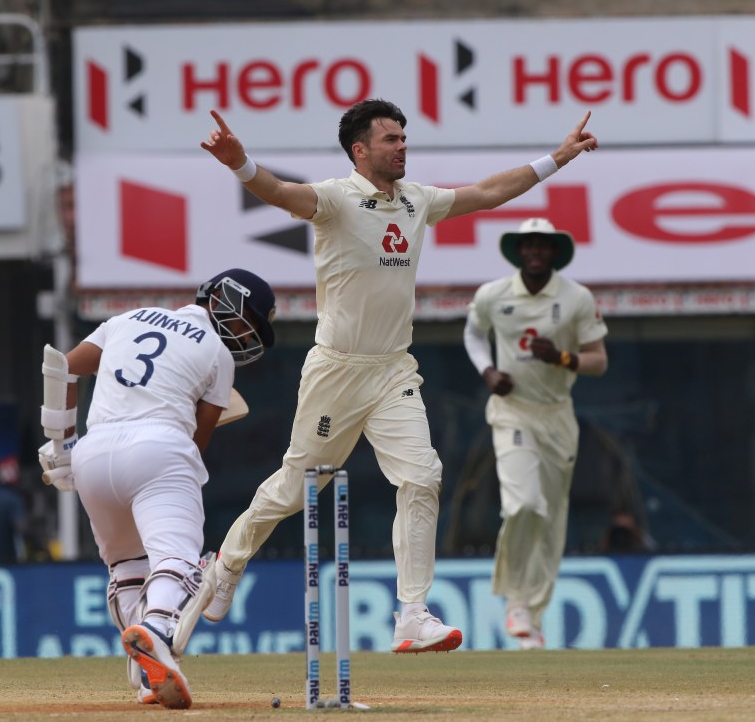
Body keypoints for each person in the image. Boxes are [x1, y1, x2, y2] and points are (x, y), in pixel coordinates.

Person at [199, 99, 598, 653]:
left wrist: (557, 158)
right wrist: (240, 163)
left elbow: (486, 193)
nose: (403, 146)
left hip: (393, 370)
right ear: (361, 150)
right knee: (296, 488)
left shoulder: (417, 200)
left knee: (422, 476)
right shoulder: (337, 198)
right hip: (336, 370)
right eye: (391, 139)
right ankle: (226, 563)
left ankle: (412, 613)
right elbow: (281, 194)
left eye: (404, 137)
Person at [37, 268, 276, 709]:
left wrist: (62, 447)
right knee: (180, 560)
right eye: (251, 323)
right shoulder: (218, 356)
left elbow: (63, 367)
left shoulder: (128, 318)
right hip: (160, 448)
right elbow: (195, 442)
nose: (247, 335)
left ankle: (151, 669)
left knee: (127, 565)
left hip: (93, 452)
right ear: (228, 302)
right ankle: (158, 631)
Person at [463, 217, 609, 650]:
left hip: (558, 415)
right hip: (512, 412)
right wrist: (488, 371)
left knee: (550, 518)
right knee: (524, 504)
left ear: (554, 253)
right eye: (528, 245)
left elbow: (599, 359)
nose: (535, 252)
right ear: (518, 252)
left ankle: (533, 621)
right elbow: (473, 335)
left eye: (542, 246)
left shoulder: (576, 297)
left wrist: (563, 358)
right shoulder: (493, 294)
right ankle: (516, 601)